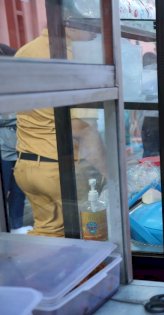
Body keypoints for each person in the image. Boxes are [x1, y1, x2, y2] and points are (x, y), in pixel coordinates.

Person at [14, 27, 107, 237]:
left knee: (49, 233)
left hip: (26, 165)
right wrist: (110, 175)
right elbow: (82, 130)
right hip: (60, 170)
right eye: (90, 26)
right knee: (88, 233)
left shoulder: (25, 51)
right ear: (70, 23)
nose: (96, 32)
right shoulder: (71, 58)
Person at [0, 43, 28, 233]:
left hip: (21, 147)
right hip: (3, 149)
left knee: (19, 192)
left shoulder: (18, 85)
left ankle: (16, 227)